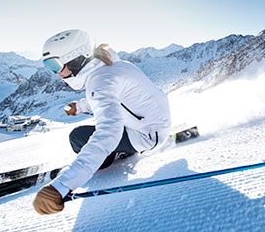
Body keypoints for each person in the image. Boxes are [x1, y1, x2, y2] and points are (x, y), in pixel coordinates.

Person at [33, 29, 172, 215]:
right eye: (48, 66)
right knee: (84, 133)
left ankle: (107, 159)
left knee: (77, 137)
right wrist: (80, 106)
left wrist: (63, 184)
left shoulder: (100, 82)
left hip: (146, 137)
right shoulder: (114, 66)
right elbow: (115, 100)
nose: (55, 73)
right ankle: (118, 149)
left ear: (75, 58)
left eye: (54, 65)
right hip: (152, 124)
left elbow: (107, 133)